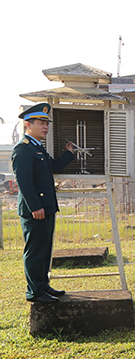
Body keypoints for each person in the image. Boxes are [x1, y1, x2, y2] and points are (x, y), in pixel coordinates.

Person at [11, 103, 75, 303]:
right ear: (28, 124)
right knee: (35, 250)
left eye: (46, 123)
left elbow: (53, 166)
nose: (45, 127)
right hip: (35, 210)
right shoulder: (23, 149)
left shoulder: (38, 148)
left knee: (45, 249)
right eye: (41, 123)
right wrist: (35, 206)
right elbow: (24, 182)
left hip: (46, 208)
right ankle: (34, 292)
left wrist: (69, 153)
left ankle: (42, 285)